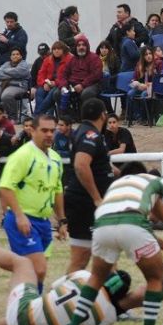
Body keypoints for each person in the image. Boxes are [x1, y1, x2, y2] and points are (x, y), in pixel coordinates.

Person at [57, 164, 163, 325]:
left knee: (96, 277)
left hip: (101, 224)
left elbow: (156, 214)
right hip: (133, 223)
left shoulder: (118, 185)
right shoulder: (155, 181)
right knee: (156, 278)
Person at [0, 220, 132, 325]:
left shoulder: (84, 276)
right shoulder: (109, 318)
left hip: (25, 316)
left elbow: (54, 287)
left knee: (23, 264)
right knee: (33, 319)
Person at [0, 114, 65, 293]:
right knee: (38, 268)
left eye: (52, 130)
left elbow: (57, 190)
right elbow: (5, 187)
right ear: (32, 130)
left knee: (33, 271)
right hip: (23, 221)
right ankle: (29, 308)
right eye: (44, 130)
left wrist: (62, 220)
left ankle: (27, 309)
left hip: (43, 222)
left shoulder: (56, 158)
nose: (49, 134)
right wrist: (19, 215)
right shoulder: (23, 155)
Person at [63, 99, 115, 272]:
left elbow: (99, 165)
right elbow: (81, 165)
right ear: (103, 115)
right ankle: (65, 297)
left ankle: (108, 296)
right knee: (81, 258)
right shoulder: (89, 135)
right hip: (85, 203)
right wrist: (96, 198)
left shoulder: (85, 132)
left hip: (87, 203)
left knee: (108, 256)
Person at [54, 36, 103, 115]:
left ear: (87, 46)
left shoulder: (94, 58)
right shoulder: (72, 59)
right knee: (57, 93)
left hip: (91, 84)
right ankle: (67, 117)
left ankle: (86, 117)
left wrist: (82, 85)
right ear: (76, 47)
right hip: (73, 84)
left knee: (86, 93)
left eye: (83, 45)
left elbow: (96, 75)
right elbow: (65, 74)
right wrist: (63, 86)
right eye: (79, 45)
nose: (81, 47)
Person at [0, 48, 30, 119]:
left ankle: (12, 117)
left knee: (6, 96)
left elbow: (19, 72)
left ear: (21, 56)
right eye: (13, 54)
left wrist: (5, 71)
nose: (15, 56)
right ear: (10, 56)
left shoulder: (24, 64)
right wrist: (12, 74)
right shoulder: (6, 64)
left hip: (18, 86)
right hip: (2, 85)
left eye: (17, 54)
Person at [34, 41, 73, 116]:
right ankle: (45, 116)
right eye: (54, 49)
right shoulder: (48, 60)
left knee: (52, 93)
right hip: (48, 83)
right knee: (39, 92)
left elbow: (67, 76)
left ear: (63, 49)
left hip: (62, 84)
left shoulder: (70, 59)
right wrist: (44, 83)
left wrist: (55, 83)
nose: (56, 51)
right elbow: (41, 74)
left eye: (59, 49)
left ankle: (38, 115)